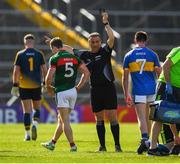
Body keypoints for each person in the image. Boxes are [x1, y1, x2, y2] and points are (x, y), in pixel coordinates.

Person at [70, 11, 122, 152]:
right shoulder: (84, 54)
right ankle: (102, 146)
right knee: (99, 118)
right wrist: (55, 43)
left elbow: (111, 37)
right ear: (88, 42)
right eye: (92, 42)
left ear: (100, 42)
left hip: (108, 88)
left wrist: (106, 23)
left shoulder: (105, 51)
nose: (95, 44)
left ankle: (117, 145)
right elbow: (69, 49)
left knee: (112, 117)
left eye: (97, 42)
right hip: (95, 89)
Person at [41, 37, 90, 152]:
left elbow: (49, 77)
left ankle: (73, 146)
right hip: (73, 92)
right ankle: (52, 143)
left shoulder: (55, 58)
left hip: (61, 92)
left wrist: (48, 88)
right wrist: (79, 86)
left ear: (54, 48)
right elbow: (86, 73)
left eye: (52, 48)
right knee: (61, 119)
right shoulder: (74, 58)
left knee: (65, 121)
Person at [122, 31, 161, 154]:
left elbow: (125, 77)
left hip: (138, 91)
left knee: (141, 118)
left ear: (135, 40)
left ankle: (145, 139)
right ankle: (153, 141)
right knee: (152, 117)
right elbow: (159, 73)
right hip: (152, 90)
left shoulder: (129, 55)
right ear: (146, 40)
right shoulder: (152, 55)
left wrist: (126, 93)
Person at [11, 34, 47, 141]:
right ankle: (35, 124)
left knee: (26, 111)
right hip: (36, 85)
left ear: (25, 42)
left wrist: (15, 85)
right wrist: (45, 83)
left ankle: (27, 134)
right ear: (33, 42)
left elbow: (16, 71)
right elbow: (45, 70)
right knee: (37, 108)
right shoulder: (39, 54)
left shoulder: (20, 54)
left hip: (24, 86)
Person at [147, 47, 180, 156]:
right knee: (159, 116)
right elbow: (165, 66)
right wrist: (169, 84)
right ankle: (152, 148)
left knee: (174, 114)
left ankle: (175, 142)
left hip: (177, 88)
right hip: (166, 85)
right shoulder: (179, 51)